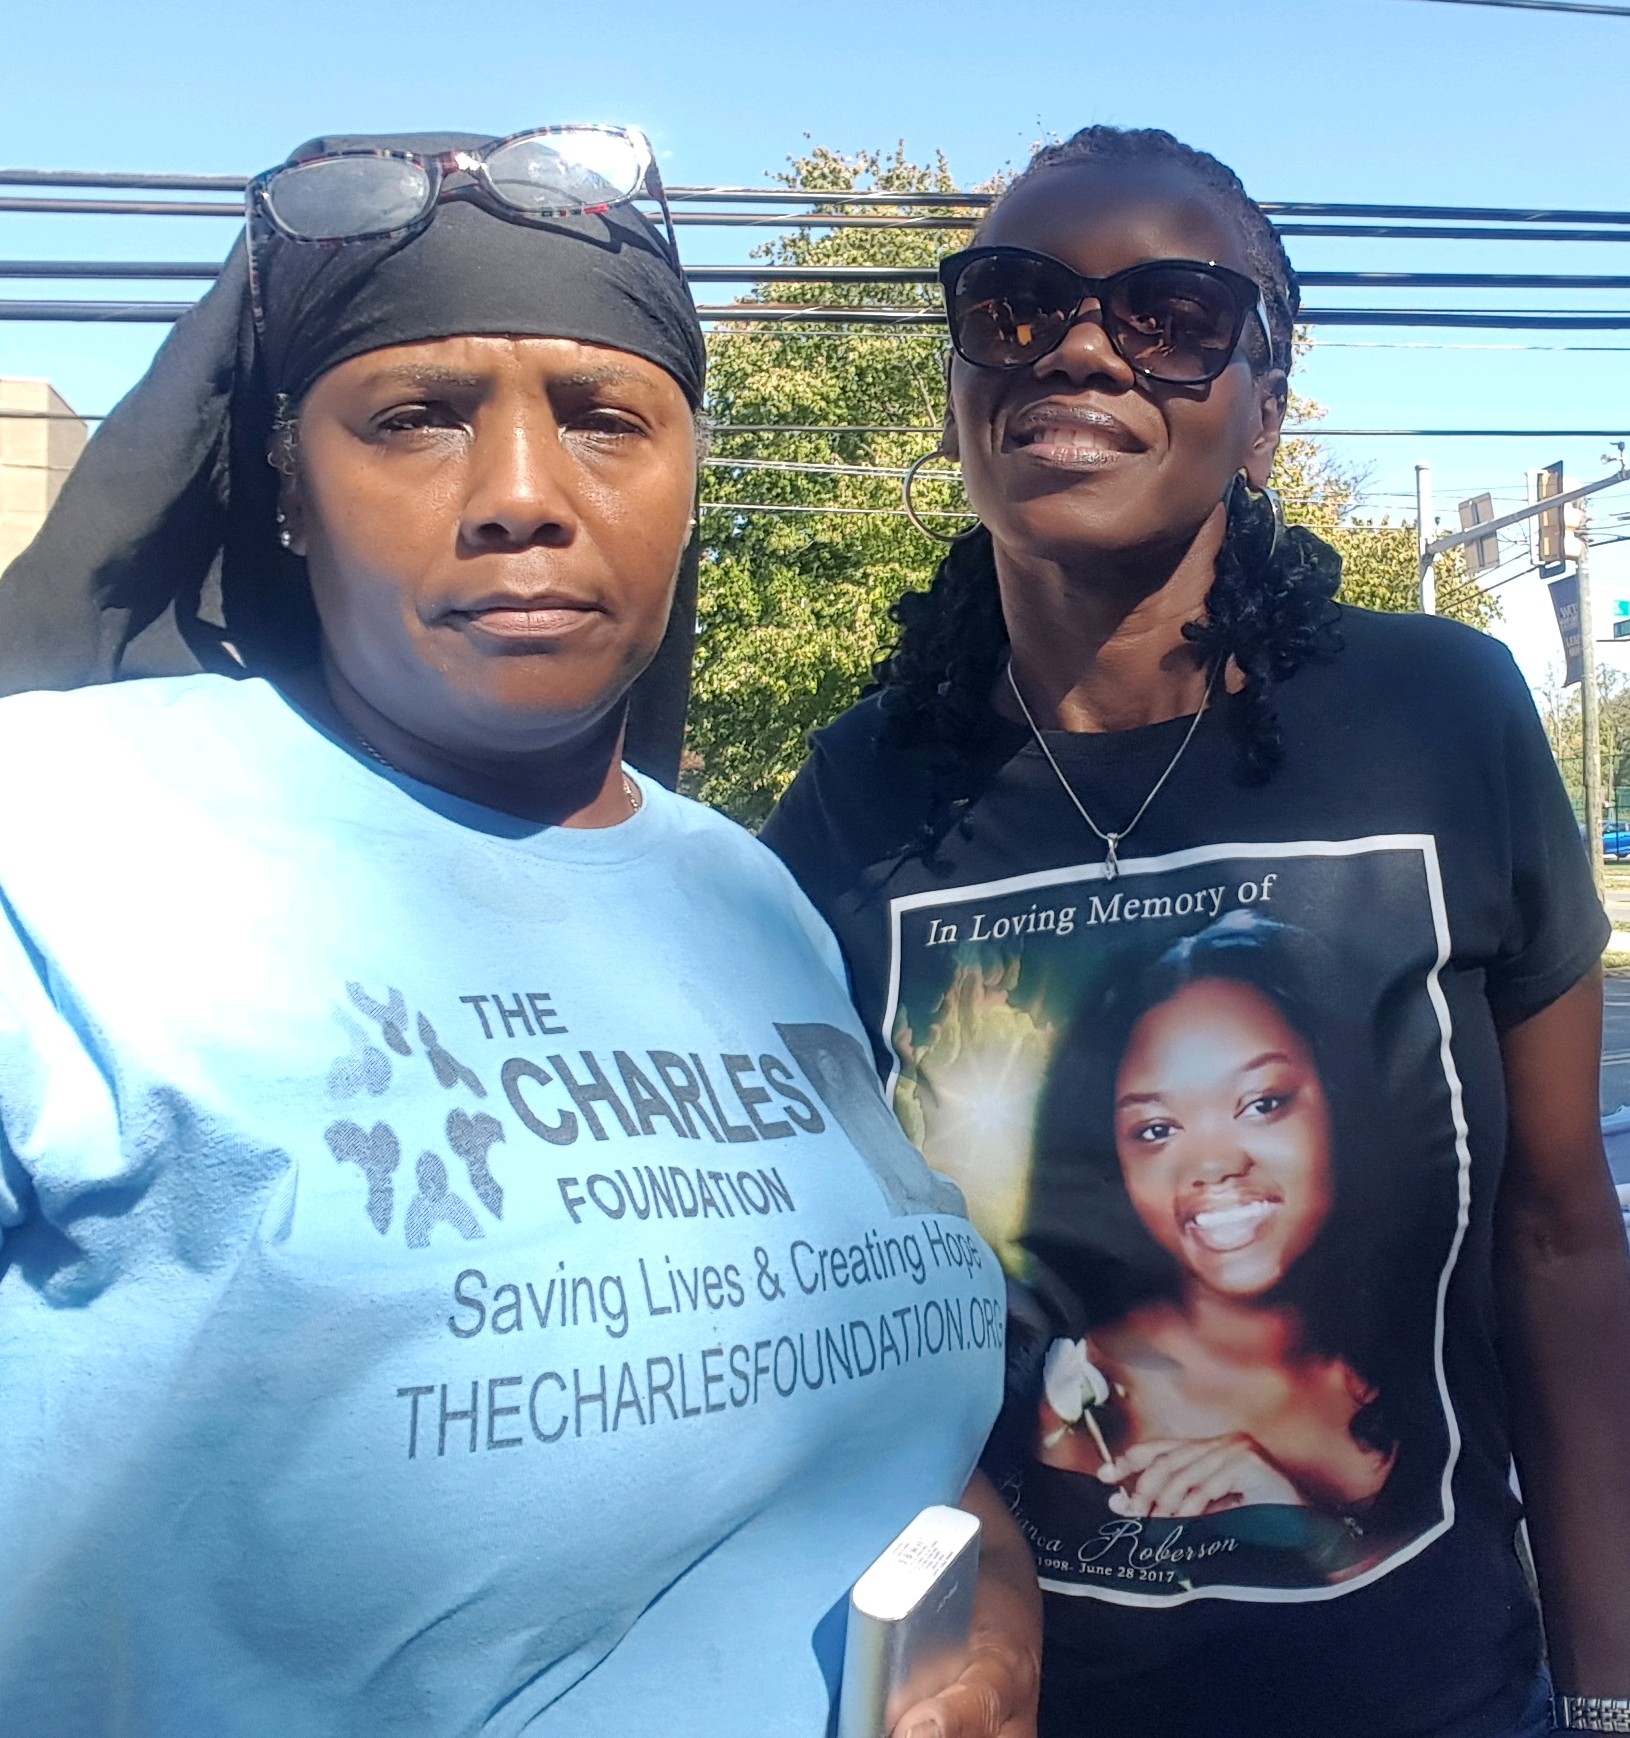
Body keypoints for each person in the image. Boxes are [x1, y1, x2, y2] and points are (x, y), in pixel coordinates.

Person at [0, 128, 1039, 1737]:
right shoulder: (59, 834)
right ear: (285, 487)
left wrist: (987, 1593)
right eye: (414, 419)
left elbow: (893, 1397)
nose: (520, 499)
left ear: (691, 475)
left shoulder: (744, 898)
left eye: (605, 420)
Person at [763, 123, 1630, 1738]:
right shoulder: (863, 792)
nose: (1080, 347)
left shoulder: (1438, 714)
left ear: (1267, 407)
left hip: (1442, 1696)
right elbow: (833, 1311)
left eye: (1172, 315)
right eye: (1016, 303)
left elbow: (1563, 1234)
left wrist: (1605, 1687)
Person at [1031, 914, 1439, 1590]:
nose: (1214, 1163)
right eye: (1156, 1129)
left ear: (1338, 1101)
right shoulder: (1090, 1406)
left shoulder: (1423, 1328)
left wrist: (1306, 1524)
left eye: (1262, 1103)